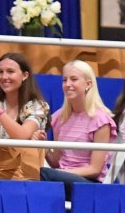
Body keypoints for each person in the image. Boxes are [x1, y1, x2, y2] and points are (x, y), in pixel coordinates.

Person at [41, 60, 117, 193]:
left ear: (88, 84)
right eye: (64, 80)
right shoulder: (60, 117)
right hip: (62, 178)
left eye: (74, 79)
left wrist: (62, 173)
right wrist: (44, 145)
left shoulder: (101, 120)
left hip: (88, 184)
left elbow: (94, 169)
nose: (67, 84)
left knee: (40, 174)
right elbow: (56, 162)